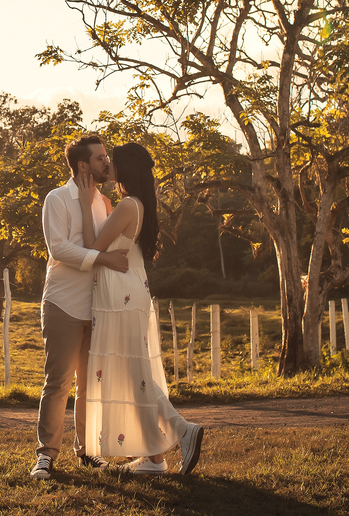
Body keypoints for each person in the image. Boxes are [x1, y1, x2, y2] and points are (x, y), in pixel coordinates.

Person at [76, 142, 203, 474]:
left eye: (113, 161)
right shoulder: (138, 203)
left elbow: (91, 249)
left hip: (121, 296)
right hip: (129, 292)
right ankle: (155, 457)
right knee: (135, 376)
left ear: (126, 169)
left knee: (136, 374)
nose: (108, 165)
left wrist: (86, 205)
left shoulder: (128, 205)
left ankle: (182, 430)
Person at [30, 135, 132, 481]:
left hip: (98, 306)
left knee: (91, 384)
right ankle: (46, 456)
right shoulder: (57, 199)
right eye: (101, 158)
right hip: (63, 303)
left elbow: (103, 243)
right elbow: (59, 249)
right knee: (58, 382)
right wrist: (102, 259)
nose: (107, 162)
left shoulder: (103, 202)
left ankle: (87, 450)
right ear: (83, 165)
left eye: (106, 157)